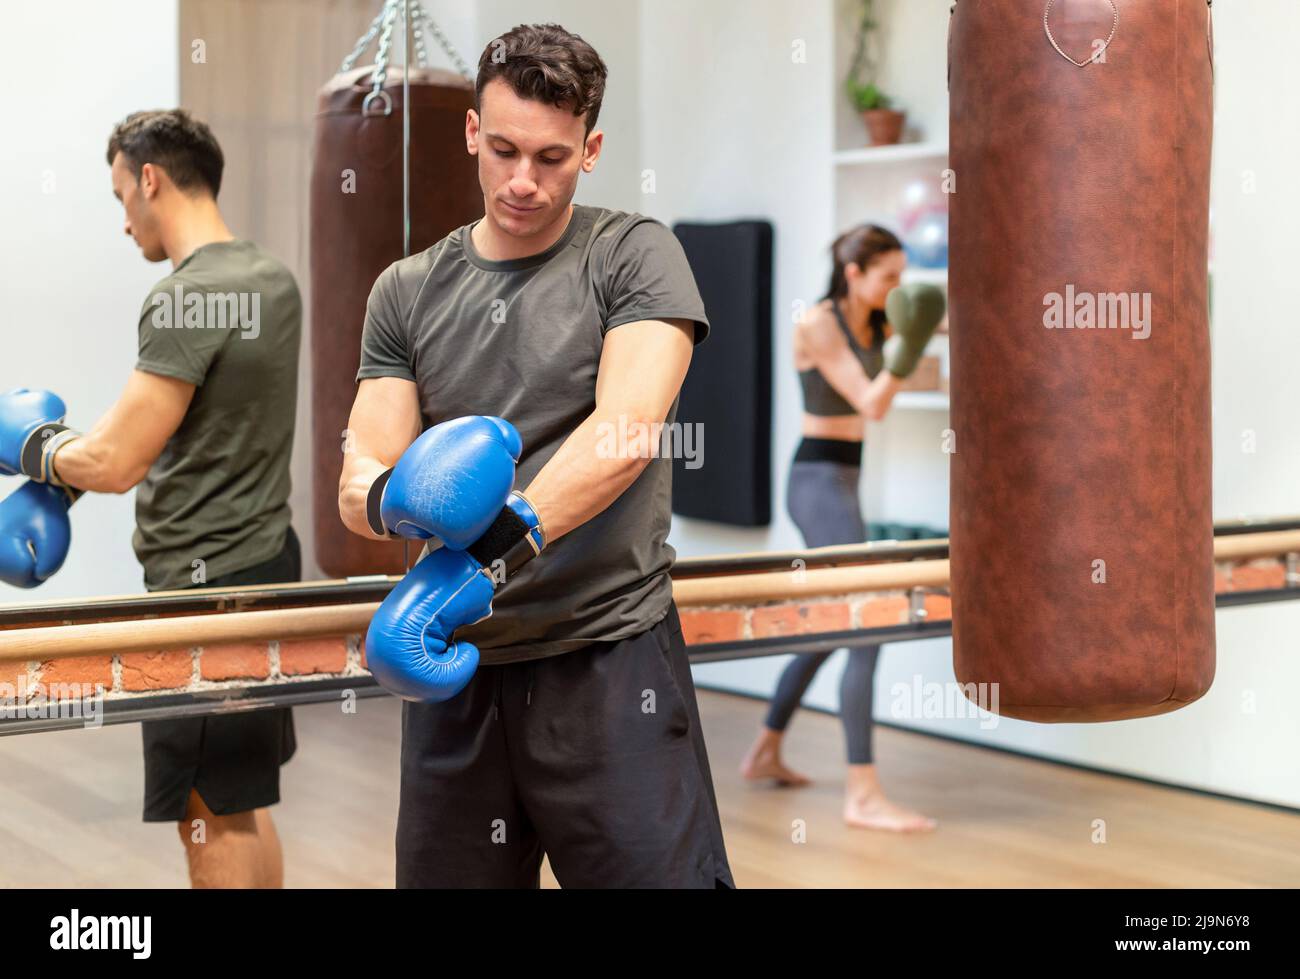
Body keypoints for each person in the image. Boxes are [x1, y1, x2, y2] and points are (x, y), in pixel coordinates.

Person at [338, 23, 734, 888]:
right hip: (455, 667)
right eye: (506, 148)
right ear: (473, 131)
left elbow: (627, 431)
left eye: (552, 158)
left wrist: (488, 552)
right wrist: (391, 504)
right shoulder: (406, 290)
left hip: (606, 656)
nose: (523, 181)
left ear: (590, 148)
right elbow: (361, 469)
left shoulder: (632, 253)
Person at [0, 109, 303, 885]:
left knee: (207, 808)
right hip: (267, 561)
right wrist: (74, 461)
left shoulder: (183, 297)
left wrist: (31, 447)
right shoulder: (271, 278)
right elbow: (188, 431)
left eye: (119, 197)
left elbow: (117, 459)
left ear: (150, 178)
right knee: (242, 797)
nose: (123, 221)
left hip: (203, 585)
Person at [740, 224, 939, 833]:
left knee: (830, 628)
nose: (898, 287)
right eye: (889, 277)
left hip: (846, 479)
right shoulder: (818, 324)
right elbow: (871, 402)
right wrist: (915, 340)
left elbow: (927, 352)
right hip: (817, 481)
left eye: (903, 278)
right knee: (868, 620)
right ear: (854, 273)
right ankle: (863, 794)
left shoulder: (876, 320)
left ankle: (765, 750)